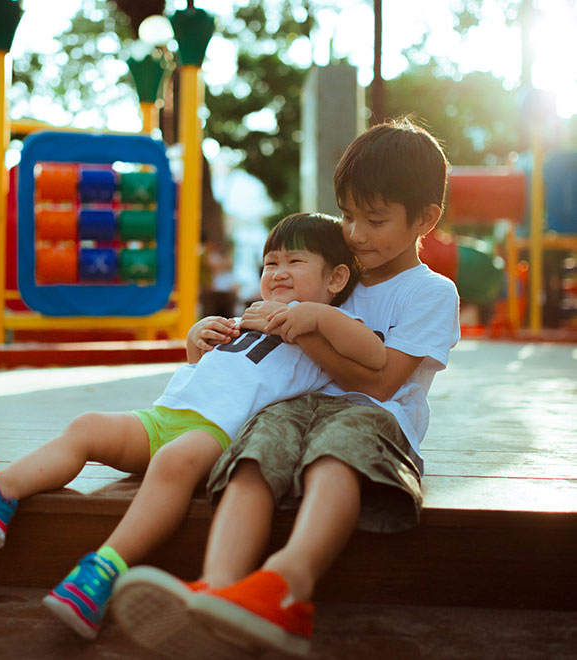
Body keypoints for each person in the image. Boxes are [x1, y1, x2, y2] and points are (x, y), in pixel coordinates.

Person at [0, 212, 386, 643]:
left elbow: (373, 354)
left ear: (336, 277)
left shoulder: (328, 328)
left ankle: (102, 571)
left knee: (172, 462)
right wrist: (198, 344)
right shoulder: (251, 317)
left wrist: (316, 315)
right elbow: (220, 370)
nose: (277, 273)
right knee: (88, 425)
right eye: (269, 264)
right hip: (165, 416)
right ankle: (0, 490)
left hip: (218, 434)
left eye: (294, 262)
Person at [109, 118, 461, 658]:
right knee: (254, 452)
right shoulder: (335, 270)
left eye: (375, 219)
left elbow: (386, 381)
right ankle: (220, 589)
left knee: (334, 455)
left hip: (376, 417)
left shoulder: (430, 292)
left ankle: (285, 586)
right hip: (295, 405)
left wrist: (304, 322)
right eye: (347, 216)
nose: (357, 234)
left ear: (426, 219)